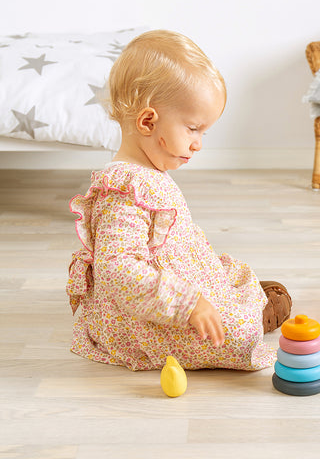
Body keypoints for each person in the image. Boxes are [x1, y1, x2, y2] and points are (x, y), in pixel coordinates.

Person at [66, 30, 292, 372]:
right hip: (139, 317)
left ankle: (234, 303)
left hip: (164, 288)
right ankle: (251, 318)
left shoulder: (146, 171)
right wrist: (187, 304)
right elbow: (118, 270)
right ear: (147, 121)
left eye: (204, 132)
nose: (199, 143)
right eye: (193, 128)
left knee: (227, 274)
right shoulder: (123, 191)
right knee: (239, 334)